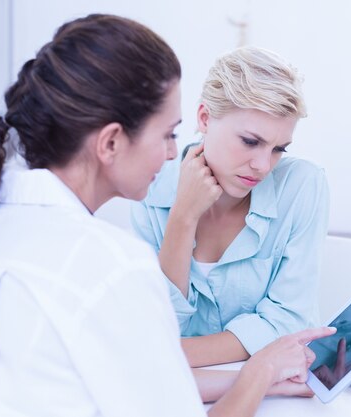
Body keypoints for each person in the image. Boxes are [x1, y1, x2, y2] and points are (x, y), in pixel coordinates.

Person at [0, 14, 335, 417]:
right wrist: (259, 371)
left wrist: (247, 373)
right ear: (112, 141)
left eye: (279, 148)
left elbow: (132, 373)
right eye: (168, 134)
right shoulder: (115, 265)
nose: (174, 152)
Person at [131, 46, 330, 367]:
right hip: (184, 390)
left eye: (279, 148)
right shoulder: (151, 186)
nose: (263, 165)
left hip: (271, 389)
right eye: (250, 142)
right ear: (205, 118)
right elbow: (157, 320)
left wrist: (173, 355)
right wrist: (183, 217)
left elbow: (289, 320)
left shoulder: (303, 185)